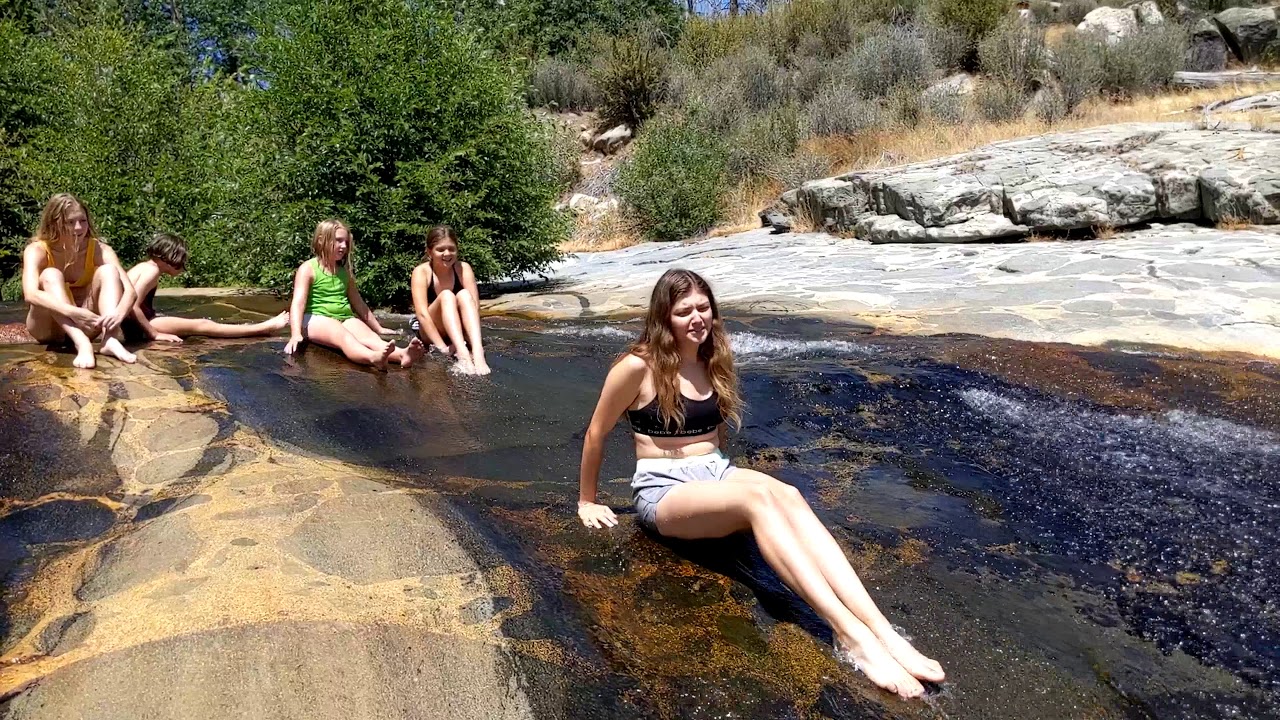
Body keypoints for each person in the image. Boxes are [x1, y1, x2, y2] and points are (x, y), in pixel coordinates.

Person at [575, 268, 945, 700]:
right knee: (757, 500)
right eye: (683, 311)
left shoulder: (712, 355)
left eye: (703, 307)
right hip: (664, 490)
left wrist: (723, 477)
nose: (697, 318)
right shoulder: (637, 366)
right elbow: (595, 433)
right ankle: (848, 634)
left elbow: (714, 438)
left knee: (786, 494)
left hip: (715, 473)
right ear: (663, 318)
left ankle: (881, 630)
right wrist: (587, 500)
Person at [283, 219, 424, 369]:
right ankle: (372, 358)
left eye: (346, 242)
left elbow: (358, 303)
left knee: (371, 338)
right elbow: (298, 302)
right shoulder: (308, 268)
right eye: (338, 241)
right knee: (344, 337)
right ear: (321, 240)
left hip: (344, 317)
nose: (344, 246)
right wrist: (296, 333)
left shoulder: (344, 272)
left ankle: (402, 355)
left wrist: (378, 328)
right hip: (316, 318)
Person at [21, 193, 138, 369]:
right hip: (48, 328)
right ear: (55, 222)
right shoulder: (37, 250)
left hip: (87, 323)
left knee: (109, 271)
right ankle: (82, 344)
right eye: (70, 222)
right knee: (50, 274)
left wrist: (119, 314)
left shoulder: (99, 249)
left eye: (83, 221)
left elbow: (130, 291)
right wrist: (74, 312)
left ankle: (110, 340)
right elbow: (30, 294)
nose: (78, 227)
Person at [123, 233, 290, 344]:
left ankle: (261, 327)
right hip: (133, 325)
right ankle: (263, 328)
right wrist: (154, 333)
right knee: (202, 324)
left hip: (130, 321)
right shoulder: (152, 271)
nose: (182, 269)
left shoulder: (142, 267)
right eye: (182, 263)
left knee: (189, 322)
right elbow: (132, 305)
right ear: (171, 258)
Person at [409, 225, 489, 375]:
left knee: (465, 295)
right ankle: (463, 354)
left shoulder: (463, 268)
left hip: (457, 327)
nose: (447, 253)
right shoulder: (421, 272)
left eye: (451, 249)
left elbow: (474, 307)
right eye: (440, 249)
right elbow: (422, 315)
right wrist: (443, 348)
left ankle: (478, 353)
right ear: (429, 252)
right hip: (431, 330)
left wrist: (472, 342)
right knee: (446, 296)